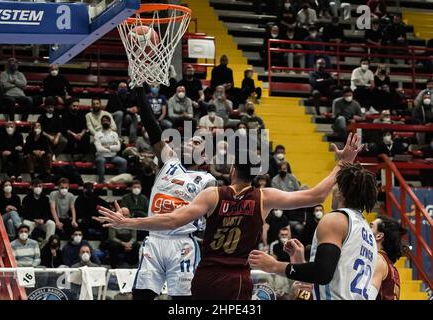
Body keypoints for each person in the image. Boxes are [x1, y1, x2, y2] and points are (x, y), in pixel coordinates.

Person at [96, 133, 362, 299]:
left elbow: (173, 220)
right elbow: (315, 196)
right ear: (256, 175)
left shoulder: (213, 194)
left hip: (206, 277)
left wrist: (129, 222)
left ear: (233, 170)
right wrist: (342, 163)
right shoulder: (264, 196)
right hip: (236, 279)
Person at [99, 86, 217, 300]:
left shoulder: (208, 181)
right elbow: (153, 129)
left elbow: (210, 217)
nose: (190, 142)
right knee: (141, 296)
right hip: (154, 240)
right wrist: (141, 96)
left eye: (197, 142)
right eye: (190, 140)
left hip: (182, 244)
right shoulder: (168, 162)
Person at [249, 162, 379, 300]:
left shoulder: (336, 219)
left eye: (335, 185)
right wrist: (301, 263)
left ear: (341, 192)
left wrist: (274, 266)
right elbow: (337, 275)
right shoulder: (367, 231)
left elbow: (322, 273)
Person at [370, 216, 405, 300]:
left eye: (370, 226)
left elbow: (368, 296)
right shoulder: (392, 268)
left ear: (379, 236)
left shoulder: (378, 260)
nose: (365, 229)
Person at [94, 115, 127, 183]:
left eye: (106, 121)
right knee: (100, 161)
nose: (105, 122)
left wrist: (106, 147)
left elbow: (118, 148)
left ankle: (119, 180)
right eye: (103, 121)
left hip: (113, 156)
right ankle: (101, 181)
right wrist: (112, 147)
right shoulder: (97, 134)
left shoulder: (114, 134)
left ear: (110, 122)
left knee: (123, 161)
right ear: (101, 123)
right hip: (101, 156)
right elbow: (98, 149)